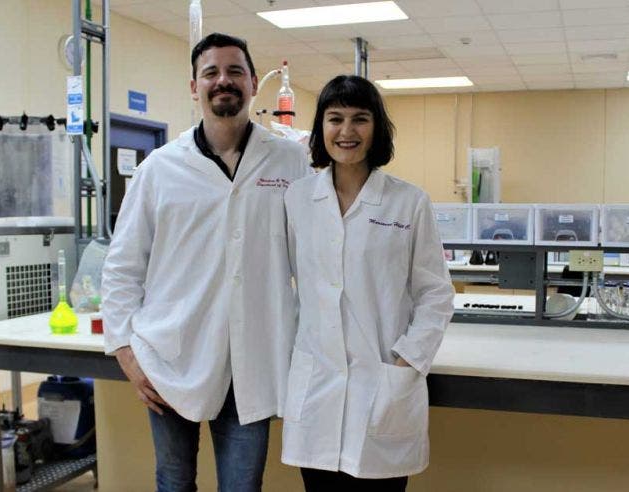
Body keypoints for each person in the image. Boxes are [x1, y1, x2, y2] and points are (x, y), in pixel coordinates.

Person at [101, 33, 309, 492]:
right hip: (171, 359)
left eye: (235, 71)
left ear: (254, 84)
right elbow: (122, 267)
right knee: (174, 482)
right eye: (210, 72)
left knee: (242, 486)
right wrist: (127, 355)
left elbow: (313, 259)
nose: (223, 81)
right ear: (194, 87)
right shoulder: (159, 168)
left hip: (252, 363)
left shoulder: (290, 161)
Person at [281, 75, 455, 491]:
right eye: (334, 118)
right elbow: (285, 283)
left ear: (376, 128)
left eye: (360, 119)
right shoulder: (297, 199)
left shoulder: (409, 201)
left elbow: (436, 292)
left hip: (381, 385)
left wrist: (408, 360)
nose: (346, 131)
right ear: (320, 128)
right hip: (318, 386)